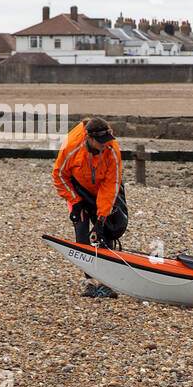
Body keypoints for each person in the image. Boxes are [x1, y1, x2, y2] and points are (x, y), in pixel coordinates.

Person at [52, 117, 128, 297]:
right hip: (77, 189)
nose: (105, 145)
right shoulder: (71, 146)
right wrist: (76, 202)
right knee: (81, 229)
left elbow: (111, 185)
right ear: (89, 138)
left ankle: (105, 281)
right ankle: (90, 281)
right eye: (101, 142)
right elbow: (59, 176)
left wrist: (101, 219)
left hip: (102, 187)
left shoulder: (111, 149)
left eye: (107, 141)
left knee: (109, 229)